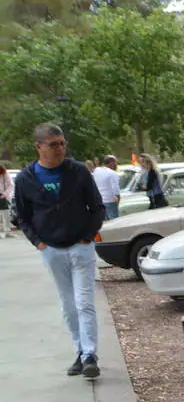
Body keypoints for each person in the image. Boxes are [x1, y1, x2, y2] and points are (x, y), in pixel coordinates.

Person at [12, 123, 106, 378]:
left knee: (84, 302)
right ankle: (80, 350)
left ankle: (89, 355)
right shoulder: (25, 179)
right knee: (68, 305)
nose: (60, 149)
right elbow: (22, 216)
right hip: (51, 250)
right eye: (53, 144)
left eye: (62, 143)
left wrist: (87, 238)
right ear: (39, 147)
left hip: (80, 247)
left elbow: (97, 207)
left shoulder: (77, 171)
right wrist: (38, 242)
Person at [94, 155, 122, 220]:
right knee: (114, 221)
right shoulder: (112, 173)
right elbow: (116, 190)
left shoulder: (97, 171)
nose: (116, 165)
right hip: (110, 200)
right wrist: (117, 201)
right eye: (116, 163)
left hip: (99, 201)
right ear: (111, 162)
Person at [0, 165, 13, 237]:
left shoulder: (4, 173)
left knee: (6, 214)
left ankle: (7, 232)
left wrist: (4, 194)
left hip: (2, 196)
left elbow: (11, 185)